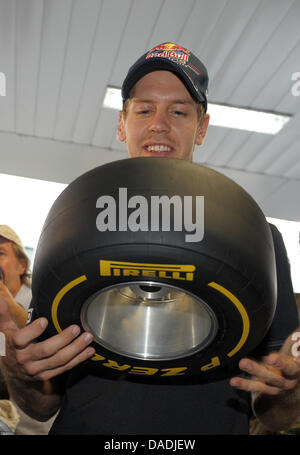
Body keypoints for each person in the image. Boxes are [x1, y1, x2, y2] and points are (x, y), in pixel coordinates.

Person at [0, 42, 300, 435]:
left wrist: (291, 391)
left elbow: (274, 412)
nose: (159, 123)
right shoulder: (73, 228)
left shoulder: (255, 237)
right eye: (144, 109)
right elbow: (40, 407)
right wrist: (17, 368)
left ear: (202, 128)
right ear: (122, 122)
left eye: (178, 111)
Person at [0, 225, 56, 434]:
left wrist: (6, 301)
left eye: (0, 253)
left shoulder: (38, 302)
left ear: (22, 266)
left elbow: (38, 337)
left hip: (30, 428)